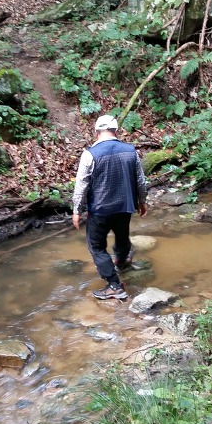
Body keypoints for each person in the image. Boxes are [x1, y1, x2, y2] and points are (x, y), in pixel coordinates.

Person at [72, 114, 147, 300]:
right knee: (122, 235)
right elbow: (140, 181)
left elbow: (81, 185)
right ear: (116, 130)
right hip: (125, 206)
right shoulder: (131, 151)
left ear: (96, 132)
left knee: (96, 247)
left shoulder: (90, 154)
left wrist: (77, 210)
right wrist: (142, 201)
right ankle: (121, 261)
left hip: (100, 210)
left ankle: (114, 285)